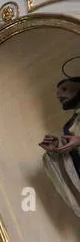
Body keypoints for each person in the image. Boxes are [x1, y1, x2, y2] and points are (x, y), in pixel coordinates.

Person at [40, 72, 80, 217]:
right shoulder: (70, 126)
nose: (59, 95)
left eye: (64, 89)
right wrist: (56, 150)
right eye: (58, 94)